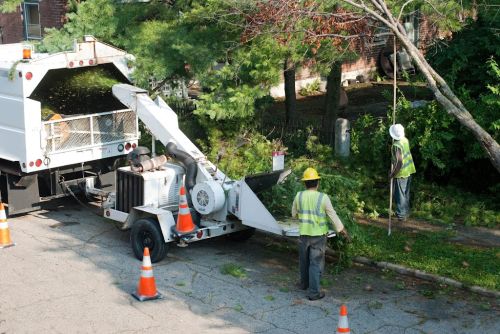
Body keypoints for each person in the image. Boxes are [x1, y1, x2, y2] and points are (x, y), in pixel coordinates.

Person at [291, 167, 350, 301]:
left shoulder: (298, 196)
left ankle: (304, 284)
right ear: (317, 182)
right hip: (318, 237)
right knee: (315, 263)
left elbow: (293, 214)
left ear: (304, 183)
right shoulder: (323, 198)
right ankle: (313, 293)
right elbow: (332, 215)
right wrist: (342, 230)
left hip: (303, 235)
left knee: (304, 261)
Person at [388, 124, 416, 221]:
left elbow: (399, 163)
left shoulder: (396, 145)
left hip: (401, 173)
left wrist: (392, 174)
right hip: (409, 170)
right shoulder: (405, 140)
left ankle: (401, 215)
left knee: (400, 195)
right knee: (405, 193)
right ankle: (406, 212)